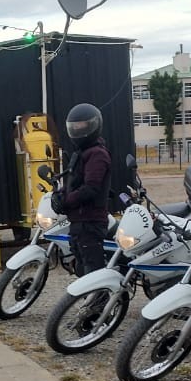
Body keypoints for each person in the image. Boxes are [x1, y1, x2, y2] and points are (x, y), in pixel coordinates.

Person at [51, 103, 112, 276]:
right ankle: (91, 302)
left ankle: (99, 302)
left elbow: (90, 188)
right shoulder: (81, 153)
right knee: (81, 268)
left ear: (93, 126)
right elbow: (74, 183)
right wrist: (60, 194)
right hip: (79, 221)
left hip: (91, 221)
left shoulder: (97, 154)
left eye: (83, 126)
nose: (78, 130)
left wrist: (66, 202)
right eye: (75, 127)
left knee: (93, 271)